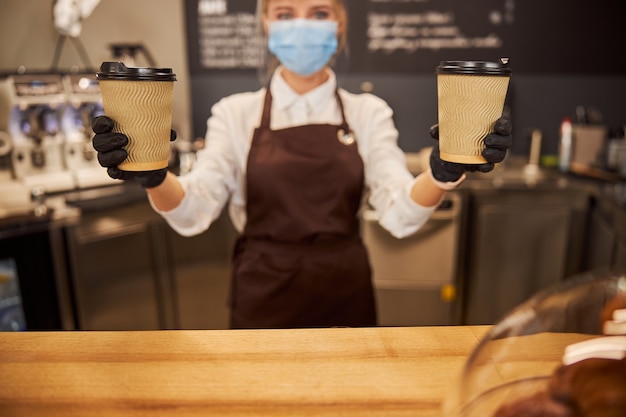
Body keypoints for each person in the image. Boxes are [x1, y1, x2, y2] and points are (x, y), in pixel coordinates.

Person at [92, 0, 512, 329]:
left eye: (319, 13)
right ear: (267, 23)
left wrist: (443, 173)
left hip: (343, 292)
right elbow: (194, 207)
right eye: (286, 13)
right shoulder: (234, 114)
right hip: (262, 295)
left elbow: (399, 211)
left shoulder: (368, 113)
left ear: (340, 23)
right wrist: (154, 177)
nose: (302, 25)